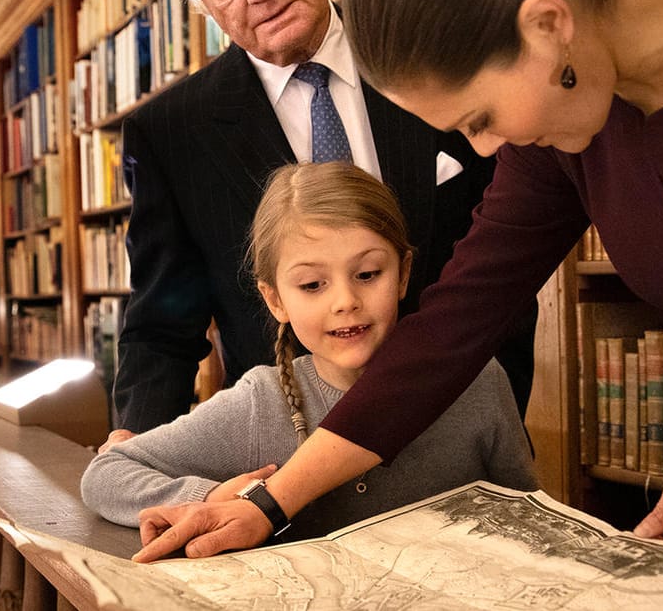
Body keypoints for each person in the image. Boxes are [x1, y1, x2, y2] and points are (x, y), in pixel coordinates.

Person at [132, 0, 663, 563]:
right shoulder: (565, 123)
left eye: (477, 119)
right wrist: (269, 500)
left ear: (546, 25)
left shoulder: (565, 104)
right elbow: (449, 326)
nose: (482, 150)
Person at [112, 0, 537, 441]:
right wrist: (135, 446)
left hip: (457, 431)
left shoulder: (428, 48)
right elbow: (163, 325)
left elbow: (504, 272)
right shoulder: (171, 134)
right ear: (200, 3)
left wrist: (492, 410)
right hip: (285, 456)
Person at [82, 162, 536, 541]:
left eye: (368, 274)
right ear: (275, 298)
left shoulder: (478, 381)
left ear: (403, 274)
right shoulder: (261, 402)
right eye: (312, 284)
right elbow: (108, 472)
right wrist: (207, 498)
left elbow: (527, 514)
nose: (344, 301)